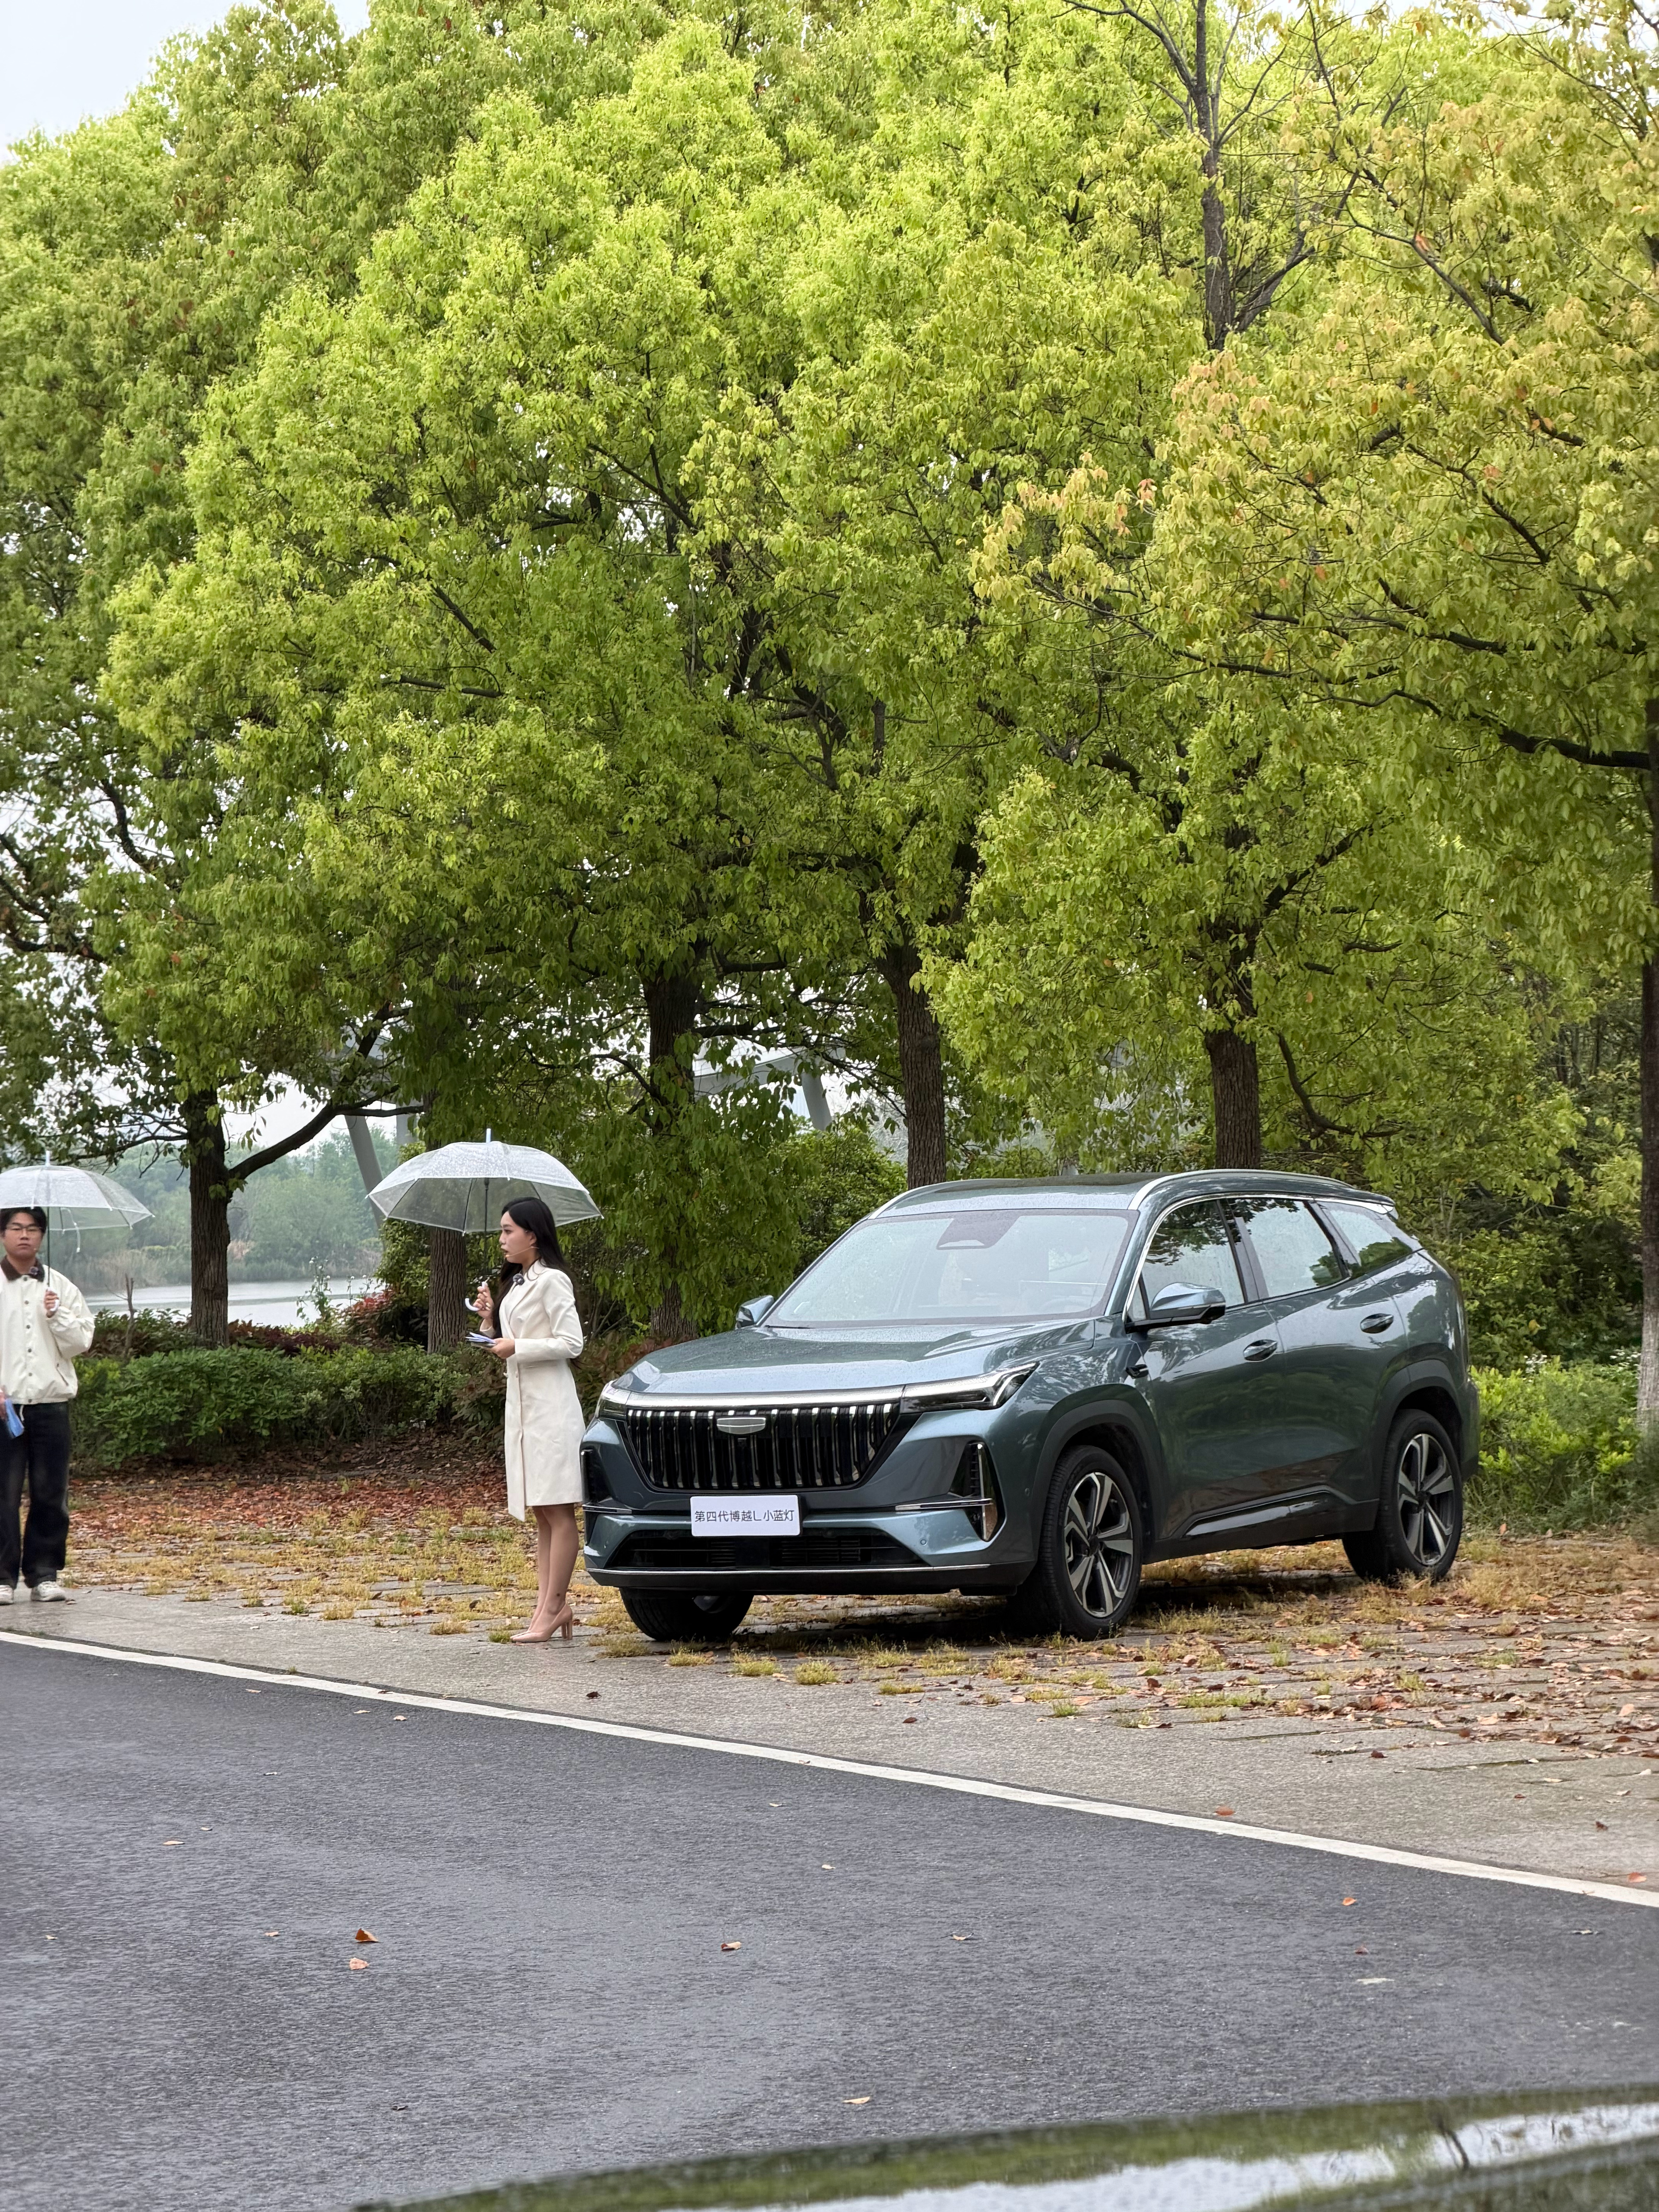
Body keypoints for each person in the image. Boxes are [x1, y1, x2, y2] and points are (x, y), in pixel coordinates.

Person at [474, 1196, 584, 1643]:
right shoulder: (517, 1284)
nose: (502, 1239)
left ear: (533, 1235)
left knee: (558, 1512)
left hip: (552, 1408)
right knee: (542, 1511)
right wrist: (488, 1321)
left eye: (508, 1231)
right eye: (502, 1231)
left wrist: (517, 1346)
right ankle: (546, 1608)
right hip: (523, 1410)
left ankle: (554, 1608)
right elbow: (504, 1341)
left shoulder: (553, 1281)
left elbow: (571, 1342)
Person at [0, 1205, 95, 1604]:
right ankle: (2, 1579)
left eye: (33, 1229)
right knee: (3, 1494)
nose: (25, 1236)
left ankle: (44, 1573)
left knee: (51, 1492)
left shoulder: (61, 1286)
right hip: (5, 1408)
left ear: (42, 1236)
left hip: (51, 1406)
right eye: (17, 1228)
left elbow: (81, 1343)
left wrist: (58, 1316)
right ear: (3, 1235)